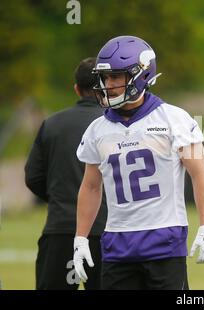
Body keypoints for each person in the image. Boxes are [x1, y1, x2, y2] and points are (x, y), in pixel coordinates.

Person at [73, 35, 204, 290]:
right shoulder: (97, 129)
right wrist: (80, 238)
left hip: (164, 242)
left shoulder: (174, 119)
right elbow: (90, 187)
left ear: (141, 75)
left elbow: (199, 175)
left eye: (116, 77)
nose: (108, 84)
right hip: (117, 245)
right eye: (106, 77)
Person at [25, 57, 107, 290]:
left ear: (76, 89)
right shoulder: (114, 126)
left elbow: (33, 177)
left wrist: (61, 197)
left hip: (61, 229)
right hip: (105, 231)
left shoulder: (51, 124)